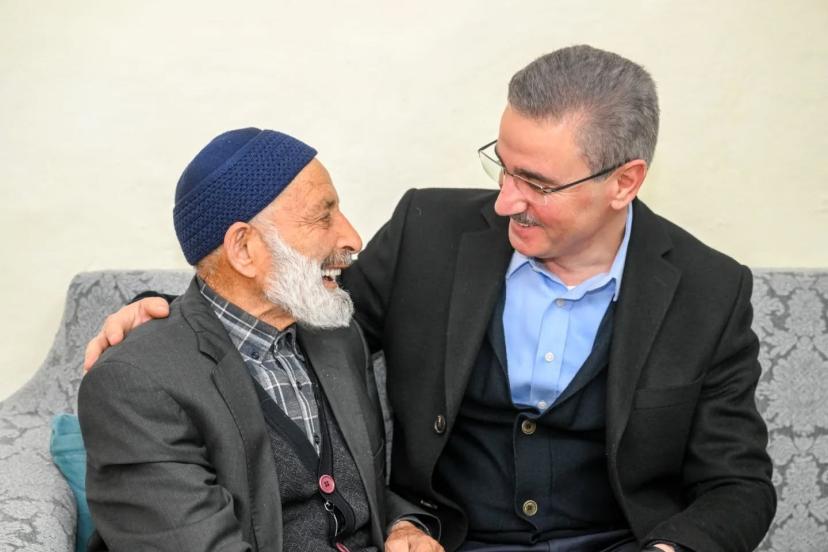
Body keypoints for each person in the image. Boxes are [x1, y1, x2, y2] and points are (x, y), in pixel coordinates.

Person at [85, 46, 775, 552]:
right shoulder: (429, 233)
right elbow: (289, 306)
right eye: (502, 167)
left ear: (624, 182)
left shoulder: (710, 290)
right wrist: (162, 316)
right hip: (452, 541)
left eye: (536, 184)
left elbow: (738, 484)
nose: (505, 201)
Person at [78, 128, 442, 552]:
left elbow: (364, 491)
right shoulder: (134, 385)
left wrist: (403, 526)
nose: (353, 239)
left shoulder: (339, 338)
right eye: (323, 217)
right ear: (244, 249)